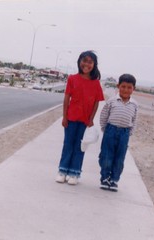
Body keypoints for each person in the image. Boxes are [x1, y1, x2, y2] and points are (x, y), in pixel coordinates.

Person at [56, 50, 104, 185]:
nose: (86, 64)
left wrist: (91, 119)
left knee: (80, 147)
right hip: (71, 118)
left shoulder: (96, 83)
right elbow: (66, 99)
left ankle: (74, 173)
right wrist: (64, 117)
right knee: (68, 145)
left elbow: (96, 102)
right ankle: (62, 171)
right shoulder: (72, 78)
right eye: (84, 60)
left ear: (94, 65)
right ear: (79, 62)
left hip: (85, 121)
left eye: (90, 62)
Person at [98, 74, 138, 191]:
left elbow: (134, 120)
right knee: (106, 156)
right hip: (110, 131)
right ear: (118, 86)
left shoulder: (134, 104)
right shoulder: (112, 101)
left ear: (133, 89)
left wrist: (129, 132)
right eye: (123, 86)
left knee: (119, 158)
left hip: (124, 134)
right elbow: (104, 116)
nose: (126, 90)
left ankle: (114, 180)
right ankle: (105, 178)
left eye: (129, 87)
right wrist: (105, 129)